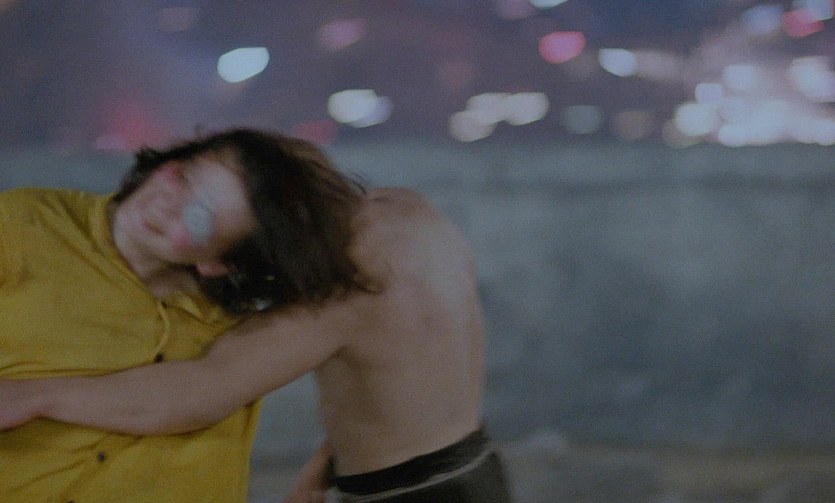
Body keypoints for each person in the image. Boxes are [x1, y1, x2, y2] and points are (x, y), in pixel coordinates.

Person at [1, 144, 514, 502]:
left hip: (406, 493)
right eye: (184, 176)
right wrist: (327, 466)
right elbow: (397, 376)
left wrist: (35, 396)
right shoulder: (411, 216)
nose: (168, 204)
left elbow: (202, 390)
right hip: (471, 465)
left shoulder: (356, 277)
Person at [0, 127, 366, 502]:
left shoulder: (240, 331)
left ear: (219, 263)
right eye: (184, 176)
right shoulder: (25, 225)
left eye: (198, 217)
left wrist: (320, 469)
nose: (167, 202)